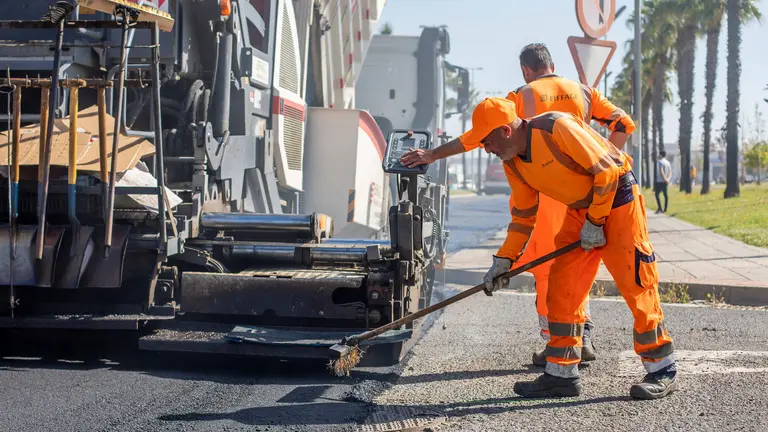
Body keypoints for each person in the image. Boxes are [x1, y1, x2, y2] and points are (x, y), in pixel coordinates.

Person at [400, 43, 636, 367]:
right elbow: (624, 124)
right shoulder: (584, 92)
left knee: (546, 271)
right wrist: (605, 157)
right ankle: (584, 335)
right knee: (576, 265)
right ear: (551, 64)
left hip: (542, 191)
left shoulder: (519, 96)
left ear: (526, 69)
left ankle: (557, 342)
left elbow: (479, 136)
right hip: (585, 193)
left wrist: (432, 154)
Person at [463, 97, 677, 399]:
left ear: (505, 132)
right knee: (562, 285)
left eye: (487, 141)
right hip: (581, 210)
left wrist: (597, 221)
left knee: (636, 285)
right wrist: (504, 260)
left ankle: (662, 370)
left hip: (618, 199)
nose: (487, 149)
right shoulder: (513, 163)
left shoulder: (556, 128)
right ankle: (562, 375)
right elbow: (524, 216)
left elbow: (606, 173)